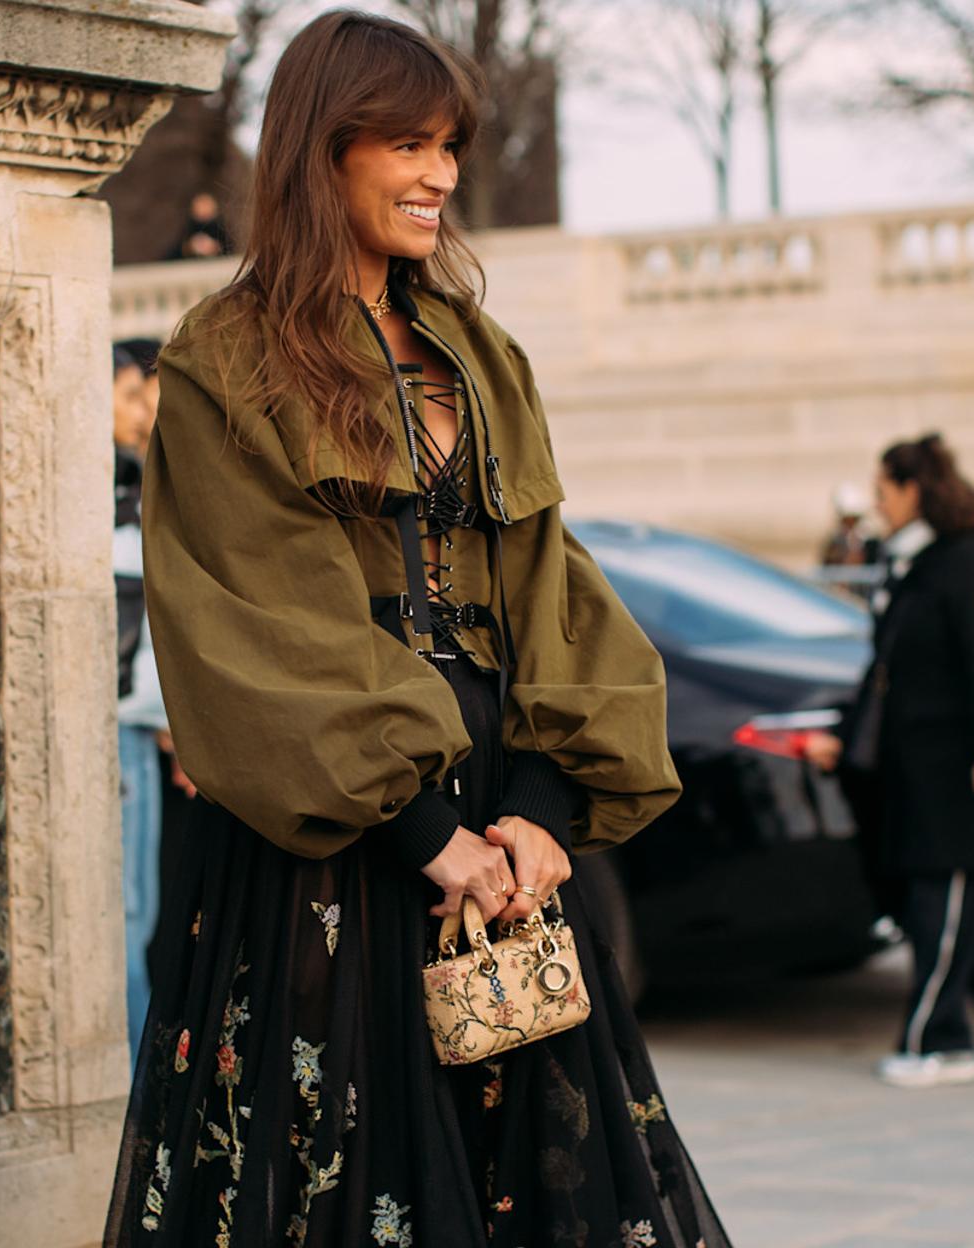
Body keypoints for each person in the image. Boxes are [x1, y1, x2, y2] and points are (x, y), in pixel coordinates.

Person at [104, 13, 731, 1246]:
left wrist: (544, 815)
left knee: (526, 1164)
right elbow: (256, 619)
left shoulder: (478, 352)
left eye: (448, 144)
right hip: (333, 835)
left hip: (503, 812)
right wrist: (425, 829)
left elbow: (551, 586)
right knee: (343, 1162)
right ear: (319, 154)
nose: (439, 174)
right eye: (405, 142)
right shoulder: (224, 360)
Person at [809, 433, 974, 1090]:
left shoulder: (964, 563)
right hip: (921, 766)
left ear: (914, 489)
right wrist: (846, 739)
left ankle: (941, 1040)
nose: (877, 506)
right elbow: (886, 671)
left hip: (962, 768)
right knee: (962, 906)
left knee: (944, 901)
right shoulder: (916, 563)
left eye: (884, 492)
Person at [113, 344, 173, 1066]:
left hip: (146, 735)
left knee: (143, 917)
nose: (144, 411)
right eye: (130, 394)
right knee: (128, 919)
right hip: (128, 734)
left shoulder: (137, 489)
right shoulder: (113, 501)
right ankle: (136, 1091)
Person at [166, 191, 232, 261]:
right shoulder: (189, 228)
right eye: (200, 205)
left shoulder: (220, 228)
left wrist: (216, 248)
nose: (203, 209)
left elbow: (230, 250)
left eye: (206, 204)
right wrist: (190, 247)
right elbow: (175, 253)